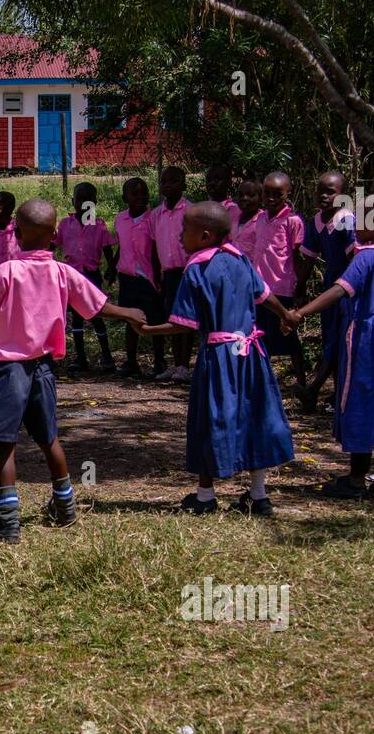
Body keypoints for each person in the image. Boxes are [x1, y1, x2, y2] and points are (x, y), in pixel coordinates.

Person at [0, 198, 146, 543]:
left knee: (5, 444)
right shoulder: (62, 272)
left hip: (8, 370)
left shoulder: (6, 272)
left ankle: (9, 523)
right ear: (54, 236)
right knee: (48, 438)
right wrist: (128, 313)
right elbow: (96, 306)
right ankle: (65, 508)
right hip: (44, 369)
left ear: (16, 234)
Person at [133, 201, 295, 514]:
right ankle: (258, 495)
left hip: (219, 356)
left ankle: (205, 496)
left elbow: (183, 323)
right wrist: (285, 313)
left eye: (185, 231)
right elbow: (264, 295)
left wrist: (147, 330)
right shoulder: (241, 261)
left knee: (210, 420)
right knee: (255, 416)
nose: (180, 237)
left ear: (205, 236)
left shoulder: (196, 268)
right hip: (250, 354)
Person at [284, 194, 374, 499]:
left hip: (367, 336)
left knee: (361, 400)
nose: (355, 226)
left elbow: (339, 291)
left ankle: (355, 481)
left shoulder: (365, 257)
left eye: (361, 219)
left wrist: (301, 312)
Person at [241, 171, 308, 392]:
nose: (271, 198)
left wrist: (300, 287)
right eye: (267, 193)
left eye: (277, 194)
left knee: (288, 335)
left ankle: (301, 382)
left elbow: (298, 254)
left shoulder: (293, 221)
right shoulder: (260, 218)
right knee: (259, 334)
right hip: (260, 288)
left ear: (287, 194)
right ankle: (262, 382)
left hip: (282, 288)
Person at [295, 171, 357, 412]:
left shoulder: (347, 220)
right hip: (329, 287)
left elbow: (355, 258)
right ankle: (332, 394)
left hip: (346, 288)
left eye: (330, 192)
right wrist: (299, 288)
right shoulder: (317, 222)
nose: (323, 196)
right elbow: (308, 259)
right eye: (320, 190)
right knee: (331, 339)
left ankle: (316, 389)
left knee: (338, 340)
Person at [56, 181, 118, 373]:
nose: (84, 203)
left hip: (92, 276)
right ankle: (80, 357)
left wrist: (111, 268)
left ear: (95, 202)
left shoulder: (99, 226)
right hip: (72, 276)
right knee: (76, 317)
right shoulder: (65, 224)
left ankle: (107, 356)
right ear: (73, 201)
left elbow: (107, 249)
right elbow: (53, 244)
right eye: (80, 199)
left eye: (88, 200)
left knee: (96, 315)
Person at [114, 177, 160, 378]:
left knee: (155, 319)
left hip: (148, 278)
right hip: (127, 277)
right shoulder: (120, 219)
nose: (141, 197)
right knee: (130, 321)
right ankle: (131, 361)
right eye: (135, 193)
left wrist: (159, 277)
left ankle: (160, 361)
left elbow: (156, 249)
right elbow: (121, 245)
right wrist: (112, 266)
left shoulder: (153, 219)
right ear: (125, 197)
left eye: (144, 193)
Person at [149, 166, 192, 381]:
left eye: (173, 181)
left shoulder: (191, 211)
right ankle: (175, 365)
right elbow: (154, 246)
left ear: (183, 185)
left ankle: (185, 364)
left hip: (188, 271)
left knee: (188, 319)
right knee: (173, 317)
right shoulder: (157, 214)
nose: (168, 185)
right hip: (169, 274)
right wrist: (157, 274)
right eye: (164, 181)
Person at [204, 164, 240, 236]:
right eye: (209, 180)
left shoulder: (232, 209)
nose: (212, 183)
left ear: (229, 183)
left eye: (217, 179)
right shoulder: (202, 208)